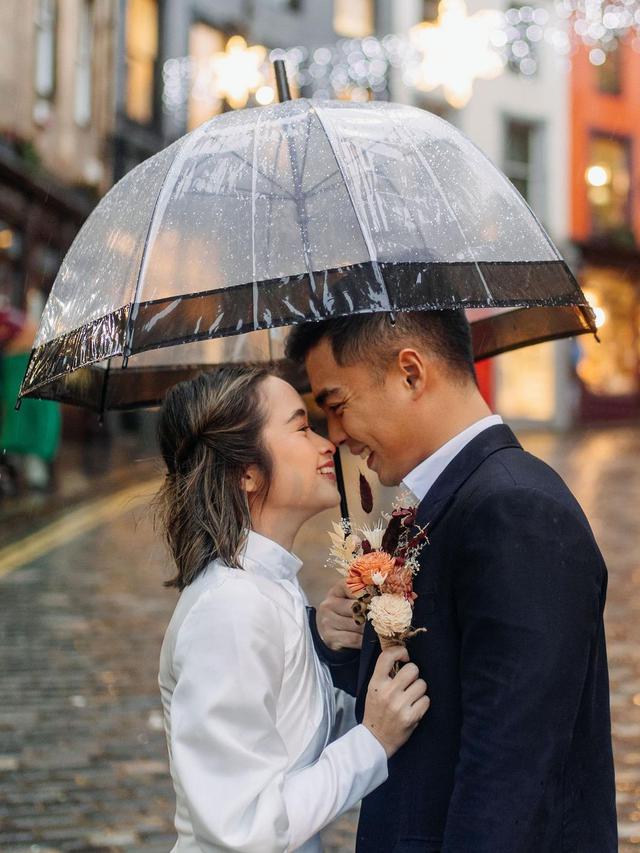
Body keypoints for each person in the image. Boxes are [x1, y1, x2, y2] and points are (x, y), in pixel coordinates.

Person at [286, 309, 617, 853]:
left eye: (337, 405)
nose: (336, 435)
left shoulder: (515, 509)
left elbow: (510, 774)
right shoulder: (446, 501)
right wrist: (355, 642)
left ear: (410, 373)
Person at [155, 366, 430, 852]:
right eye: (302, 428)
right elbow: (241, 828)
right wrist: (372, 741)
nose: (328, 444)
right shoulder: (231, 608)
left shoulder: (271, 588)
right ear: (246, 471)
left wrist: (347, 654)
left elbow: (294, 749)